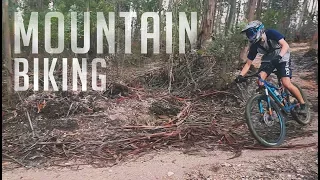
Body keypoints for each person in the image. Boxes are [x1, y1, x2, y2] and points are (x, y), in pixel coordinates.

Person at [235, 20, 306, 114]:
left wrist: (279, 56)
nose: (250, 36)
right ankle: (278, 100)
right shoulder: (254, 46)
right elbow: (248, 64)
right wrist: (240, 75)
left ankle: (303, 105)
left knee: (286, 83)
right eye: (248, 34)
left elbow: (285, 45)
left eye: (251, 33)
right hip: (268, 58)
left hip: (282, 55)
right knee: (260, 81)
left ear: (259, 30)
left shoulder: (271, 33)